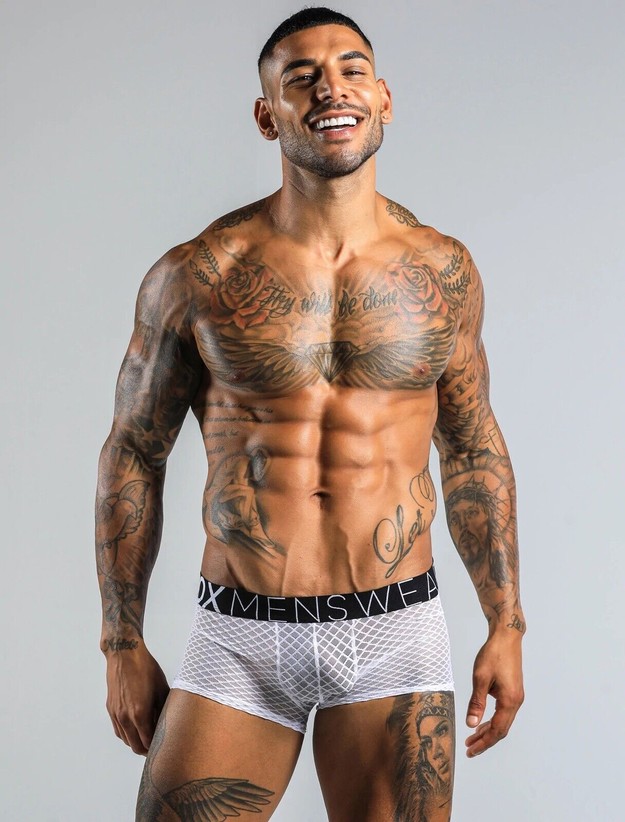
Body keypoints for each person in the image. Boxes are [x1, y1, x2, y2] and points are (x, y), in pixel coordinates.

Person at [95, 7, 526, 821]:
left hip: (394, 629)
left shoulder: (442, 273)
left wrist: (506, 623)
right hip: (240, 634)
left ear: (383, 97)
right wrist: (121, 641)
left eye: (351, 69)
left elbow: (472, 448)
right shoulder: (198, 275)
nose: (332, 88)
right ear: (268, 116)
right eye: (303, 77)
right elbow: (133, 453)